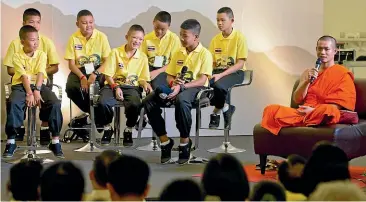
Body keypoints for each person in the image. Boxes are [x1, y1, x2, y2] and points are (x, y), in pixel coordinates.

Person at [143, 19, 213, 165]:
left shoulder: (205, 54)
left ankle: (184, 143)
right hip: (177, 87)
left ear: (196, 37)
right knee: (149, 100)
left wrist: (182, 87)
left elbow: (203, 80)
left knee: (181, 100)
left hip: (196, 89)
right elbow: (170, 74)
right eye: (180, 35)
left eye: (185, 36)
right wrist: (172, 83)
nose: (181, 39)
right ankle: (165, 141)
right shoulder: (178, 52)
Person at [261, 35, 356, 135]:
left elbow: (339, 106)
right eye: (320, 49)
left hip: (321, 112)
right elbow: (297, 99)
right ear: (316, 49)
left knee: (329, 111)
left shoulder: (342, 73)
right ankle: (306, 121)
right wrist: (306, 82)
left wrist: (313, 111)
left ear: (335, 51)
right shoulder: (308, 72)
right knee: (270, 110)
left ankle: (305, 120)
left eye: (326, 49)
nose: (322, 52)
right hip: (303, 112)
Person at [3, 25, 64, 158]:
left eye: (37, 39)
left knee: (54, 102)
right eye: (32, 40)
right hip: (20, 85)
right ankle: (11, 141)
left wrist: (36, 90)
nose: (35, 43)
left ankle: (55, 140)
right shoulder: (17, 56)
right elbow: (23, 76)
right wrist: (30, 93)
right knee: (14, 102)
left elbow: (41, 72)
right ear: (22, 42)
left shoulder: (42, 54)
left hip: (39, 85)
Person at [95, 24, 152, 146]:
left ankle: (128, 130)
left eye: (140, 39)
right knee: (102, 102)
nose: (137, 41)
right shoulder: (115, 52)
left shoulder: (142, 57)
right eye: (134, 37)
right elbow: (108, 75)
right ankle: (107, 128)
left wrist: (145, 83)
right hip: (112, 85)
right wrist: (116, 87)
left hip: (132, 87)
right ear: (127, 37)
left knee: (135, 104)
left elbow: (142, 78)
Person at [137, 11, 181, 128]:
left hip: (166, 70)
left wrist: (157, 71)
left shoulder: (174, 39)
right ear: (153, 23)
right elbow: (142, 59)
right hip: (148, 69)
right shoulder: (147, 38)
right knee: (140, 85)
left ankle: (146, 115)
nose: (159, 32)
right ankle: (145, 114)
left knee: (157, 86)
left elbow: (174, 63)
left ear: (168, 27)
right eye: (157, 28)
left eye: (163, 29)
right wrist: (145, 76)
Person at [208, 7, 248, 129]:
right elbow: (212, 63)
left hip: (236, 72)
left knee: (219, 85)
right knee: (203, 84)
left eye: (223, 20)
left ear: (232, 20)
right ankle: (225, 107)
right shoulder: (215, 39)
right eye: (217, 20)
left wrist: (220, 75)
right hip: (218, 72)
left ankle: (216, 111)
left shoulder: (239, 37)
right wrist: (207, 74)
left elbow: (240, 63)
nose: (219, 23)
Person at [64, 9, 111, 114]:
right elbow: (71, 64)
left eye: (91, 22)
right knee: (71, 88)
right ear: (77, 24)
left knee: (100, 87)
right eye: (84, 23)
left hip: (98, 69)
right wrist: (82, 77)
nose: (88, 25)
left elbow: (107, 61)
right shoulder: (73, 38)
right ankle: (94, 114)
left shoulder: (102, 37)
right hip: (79, 70)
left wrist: (95, 74)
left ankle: (101, 116)